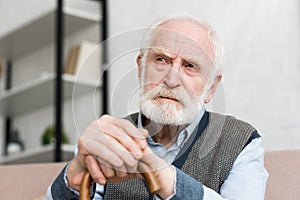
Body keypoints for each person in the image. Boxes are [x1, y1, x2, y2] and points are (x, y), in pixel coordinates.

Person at [47, 15, 269, 199]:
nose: (171, 80)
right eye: (161, 60)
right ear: (140, 68)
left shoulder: (242, 141)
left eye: (190, 66)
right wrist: (72, 180)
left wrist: (163, 176)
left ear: (211, 88)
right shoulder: (109, 137)